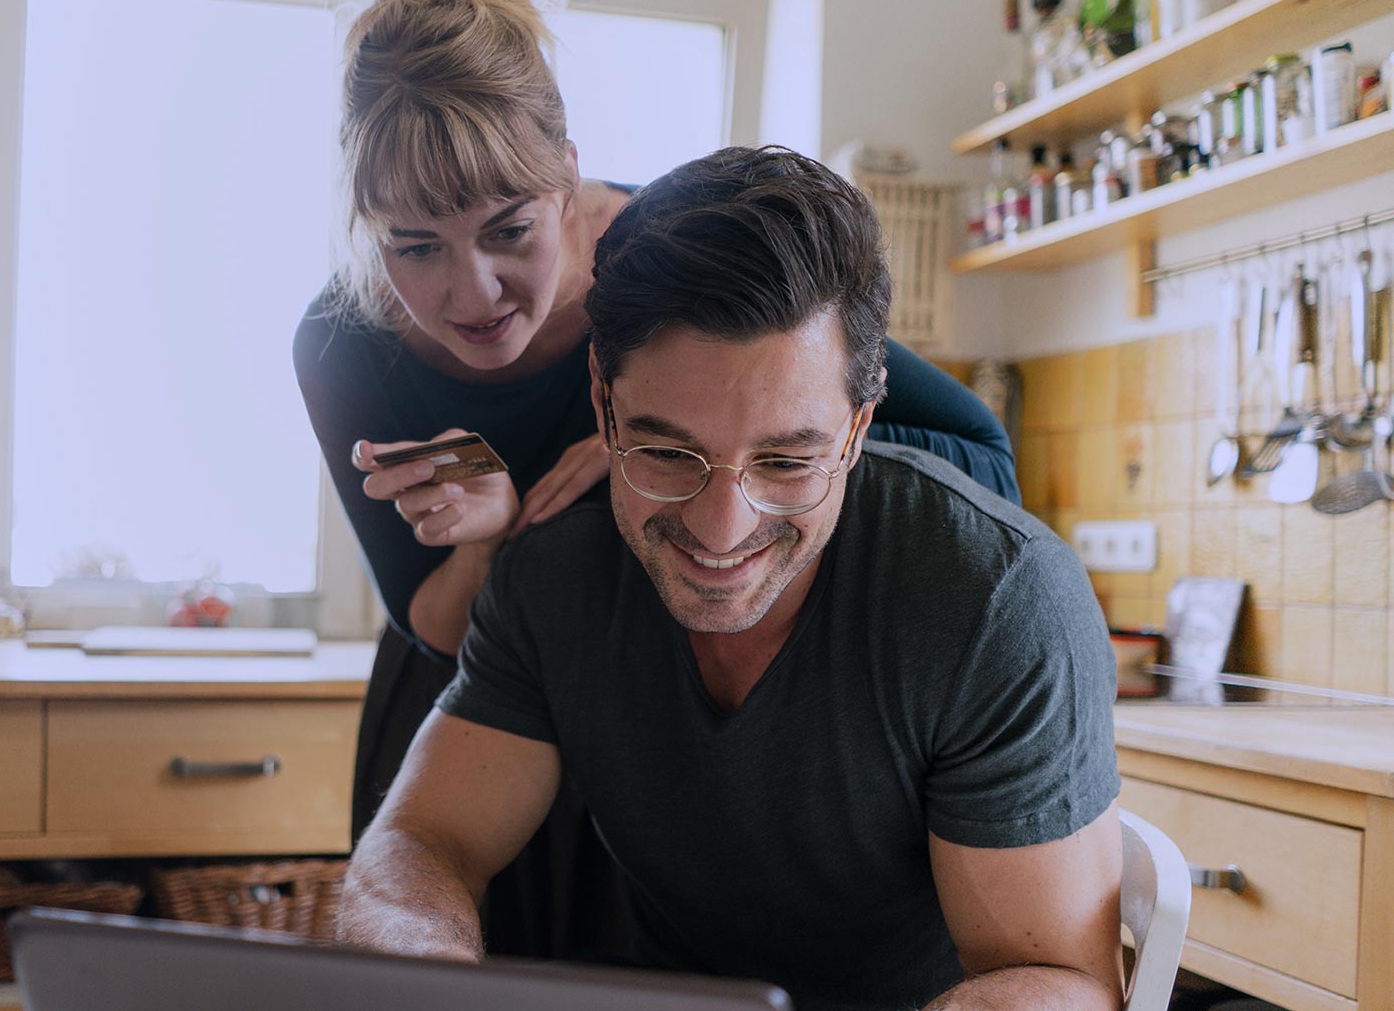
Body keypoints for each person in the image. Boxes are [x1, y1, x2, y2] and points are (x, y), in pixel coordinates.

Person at [292, 0, 1020, 961]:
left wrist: (678, 447)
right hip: (466, 712)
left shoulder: (667, 261)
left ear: (571, 180)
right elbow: (433, 622)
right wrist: (495, 536)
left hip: (653, 699)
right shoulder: (343, 343)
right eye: (415, 247)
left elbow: (982, 455)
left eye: (510, 230)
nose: (474, 292)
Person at [334, 146, 1123, 1011]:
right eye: (667, 453)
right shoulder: (555, 570)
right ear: (600, 402)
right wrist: (426, 969)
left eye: (787, 461)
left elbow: (1062, 984)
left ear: (860, 426)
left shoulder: (995, 601)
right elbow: (421, 838)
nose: (721, 531)